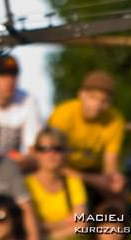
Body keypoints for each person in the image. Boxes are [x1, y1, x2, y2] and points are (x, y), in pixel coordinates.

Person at [47, 71, 126, 210]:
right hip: (62, 169)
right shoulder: (63, 114)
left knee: (117, 193)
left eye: (104, 101)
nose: (97, 105)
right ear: (81, 94)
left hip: (94, 171)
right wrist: (93, 180)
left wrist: (113, 180)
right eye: (93, 98)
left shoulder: (115, 119)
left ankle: (111, 229)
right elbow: (50, 160)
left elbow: (110, 164)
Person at [24, 127, 87, 239]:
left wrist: (45, 233)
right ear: (36, 153)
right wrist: (66, 222)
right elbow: (27, 226)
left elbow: (82, 226)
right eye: (44, 149)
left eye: (57, 149)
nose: (51, 154)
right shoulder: (26, 184)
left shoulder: (73, 182)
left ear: (65, 153)